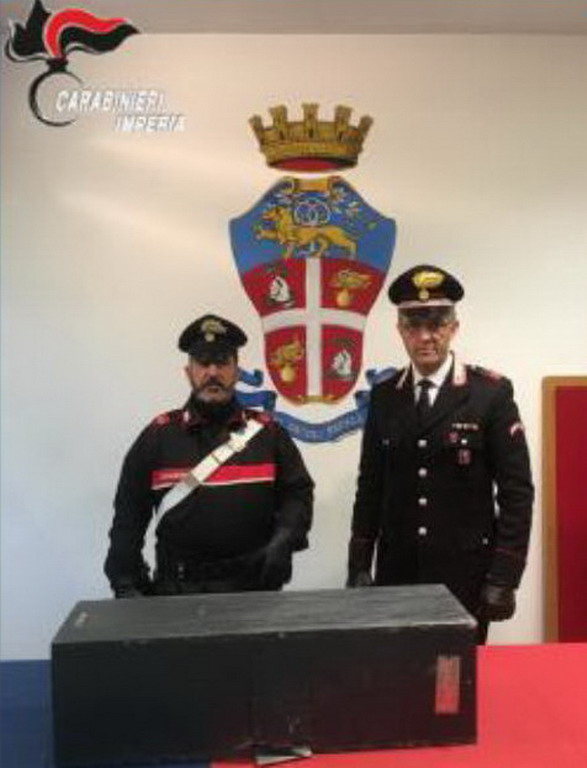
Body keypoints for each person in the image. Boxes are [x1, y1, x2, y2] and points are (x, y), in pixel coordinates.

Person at [346, 265, 533, 642]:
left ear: (453, 327)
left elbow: (517, 493)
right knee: (396, 670)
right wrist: (360, 563)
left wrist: (504, 576)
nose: (425, 337)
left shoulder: (489, 394)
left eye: (436, 325)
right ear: (400, 330)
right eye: (413, 326)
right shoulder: (384, 397)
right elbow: (371, 487)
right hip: (397, 573)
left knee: (455, 675)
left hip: (465, 574)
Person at [104, 314, 314, 596]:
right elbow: (129, 514)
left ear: (237, 371)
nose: (212, 372)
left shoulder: (269, 434)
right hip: (177, 595)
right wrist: (125, 577)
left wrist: (285, 538)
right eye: (203, 363)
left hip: (255, 592)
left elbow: (298, 492)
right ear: (188, 372)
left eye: (222, 362)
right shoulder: (158, 437)